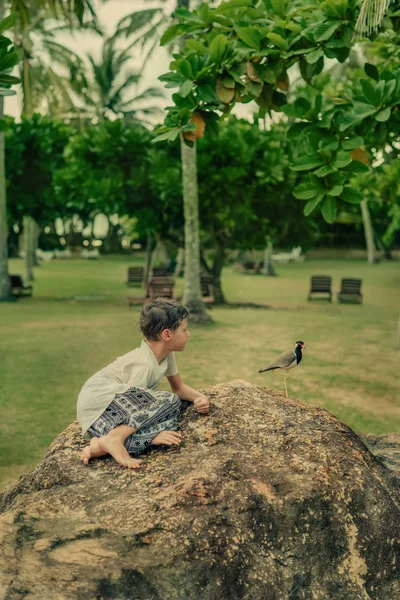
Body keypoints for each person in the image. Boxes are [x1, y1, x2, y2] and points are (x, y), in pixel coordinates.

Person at [78, 298, 210, 469]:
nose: (188, 334)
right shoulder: (143, 364)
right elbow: (138, 411)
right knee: (169, 402)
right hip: (99, 402)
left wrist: (201, 398)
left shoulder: (167, 355)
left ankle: (99, 446)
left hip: (109, 414)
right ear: (167, 335)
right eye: (184, 329)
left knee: (174, 417)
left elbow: (179, 388)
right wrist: (151, 435)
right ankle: (115, 438)